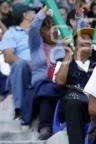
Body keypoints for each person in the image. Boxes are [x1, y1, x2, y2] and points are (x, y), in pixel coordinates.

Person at [23, 8, 64, 140]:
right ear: (40, 32)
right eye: (47, 27)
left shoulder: (62, 45)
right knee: (47, 89)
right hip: (40, 85)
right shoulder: (36, 45)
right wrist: (44, 10)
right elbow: (34, 26)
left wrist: (79, 18)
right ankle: (45, 126)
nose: (52, 30)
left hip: (59, 82)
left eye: (54, 26)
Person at [54, 27, 96, 144]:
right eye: (83, 38)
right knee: (72, 102)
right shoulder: (63, 61)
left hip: (95, 105)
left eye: (90, 39)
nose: (88, 41)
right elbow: (59, 82)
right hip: (75, 106)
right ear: (74, 43)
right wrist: (68, 53)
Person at [0, 3, 36, 119]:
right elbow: (8, 57)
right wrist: (28, 63)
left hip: (40, 69)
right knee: (19, 64)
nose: (36, 14)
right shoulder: (11, 33)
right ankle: (19, 108)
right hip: (23, 72)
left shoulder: (40, 31)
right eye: (33, 12)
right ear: (25, 15)